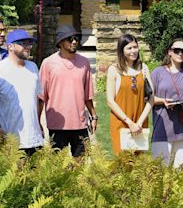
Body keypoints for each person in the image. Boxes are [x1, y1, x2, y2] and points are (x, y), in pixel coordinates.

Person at [39, 24, 97, 157]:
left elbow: (87, 95)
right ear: (60, 42)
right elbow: (41, 97)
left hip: (80, 124)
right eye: (70, 39)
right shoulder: (48, 63)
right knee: (59, 170)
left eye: (76, 38)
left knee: (80, 166)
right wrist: (37, 121)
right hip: (57, 125)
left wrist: (94, 117)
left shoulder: (84, 63)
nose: (74, 41)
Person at [151, 38, 183, 167]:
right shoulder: (158, 72)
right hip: (162, 126)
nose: (180, 53)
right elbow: (148, 97)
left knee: (181, 172)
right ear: (169, 52)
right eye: (177, 50)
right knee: (160, 171)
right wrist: (162, 101)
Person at [106, 34, 154, 155]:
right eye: (129, 48)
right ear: (122, 50)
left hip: (140, 122)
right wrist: (129, 122)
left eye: (135, 47)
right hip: (121, 122)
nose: (133, 51)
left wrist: (138, 123)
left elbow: (151, 98)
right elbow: (110, 101)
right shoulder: (114, 70)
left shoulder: (143, 68)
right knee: (123, 161)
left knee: (138, 163)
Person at [0, 29, 44, 155]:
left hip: (35, 140)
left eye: (29, 43)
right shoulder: (1, 70)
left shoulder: (33, 67)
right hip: (12, 142)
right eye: (23, 43)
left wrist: (39, 123)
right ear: (10, 46)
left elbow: (37, 98)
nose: (28, 47)